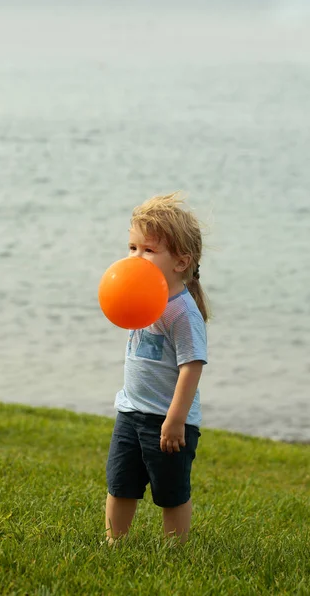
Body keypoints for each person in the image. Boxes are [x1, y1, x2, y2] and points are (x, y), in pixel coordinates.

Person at [105, 192, 209, 544]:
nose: (136, 257)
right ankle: (114, 542)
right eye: (132, 248)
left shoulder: (181, 311)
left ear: (180, 262)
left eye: (148, 250)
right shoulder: (139, 296)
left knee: (171, 491)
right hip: (131, 410)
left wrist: (176, 419)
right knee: (120, 484)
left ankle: (175, 549)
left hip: (168, 419)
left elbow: (191, 366)